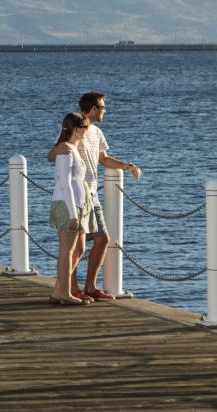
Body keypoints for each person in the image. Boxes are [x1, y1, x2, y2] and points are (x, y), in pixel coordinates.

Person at [48, 91, 141, 301]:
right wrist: (59, 150)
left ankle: (88, 286)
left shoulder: (97, 133)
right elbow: (53, 155)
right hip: (73, 197)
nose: (104, 111)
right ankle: (68, 290)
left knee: (101, 239)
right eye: (102, 107)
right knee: (74, 247)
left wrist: (127, 166)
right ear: (92, 109)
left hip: (90, 195)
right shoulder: (74, 130)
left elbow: (104, 159)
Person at [49, 111, 93, 306]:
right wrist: (73, 213)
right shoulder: (66, 149)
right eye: (85, 128)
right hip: (67, 204)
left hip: (79, 203)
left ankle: (59, 290)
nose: (87, 131)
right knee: (67, 250)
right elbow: (66, 183)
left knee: (79, 248)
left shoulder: (73, 147)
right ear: (76, 130)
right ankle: (65, 293)